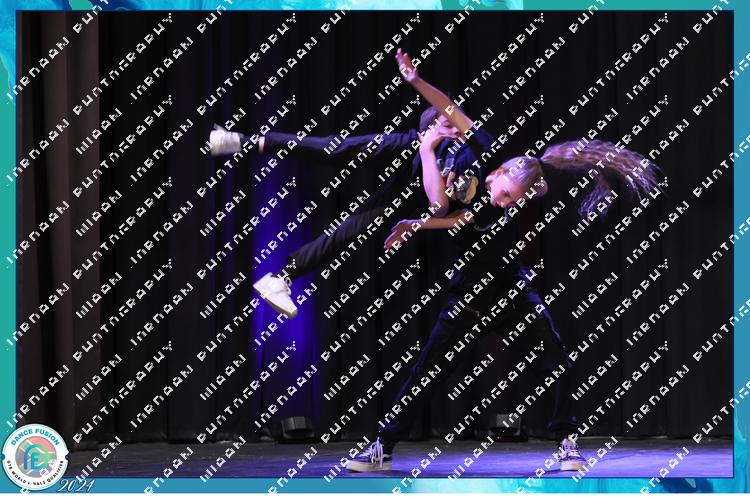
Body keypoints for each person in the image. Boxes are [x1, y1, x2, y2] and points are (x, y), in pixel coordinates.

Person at [340, 49, 661, 473]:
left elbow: (468, 215)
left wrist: (418, 224)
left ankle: (567, 443)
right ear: (496, 173)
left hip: (512, 288)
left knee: (555, 355)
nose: (503, 202)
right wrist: (415, 82)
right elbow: (449, 124)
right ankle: (382, 447)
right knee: (426, 369)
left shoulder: (512, 191)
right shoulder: (481, 153)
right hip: (467, 293)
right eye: (505, 193)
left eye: (513, 201)